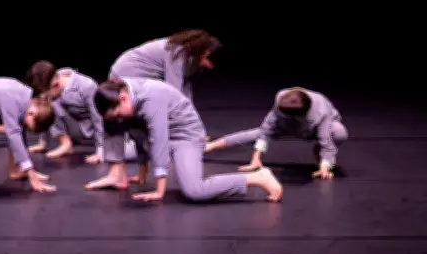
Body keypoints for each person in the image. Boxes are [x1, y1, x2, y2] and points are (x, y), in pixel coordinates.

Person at [84, 78, 283, 203]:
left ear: (123, 99)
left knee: (194, 191)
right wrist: (142, 172)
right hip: (164, 136)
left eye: (118, 113)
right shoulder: (121, 94)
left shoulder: (150, 97)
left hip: (185, 136)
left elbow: (158, 140)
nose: (119, 118)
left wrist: (159, 191)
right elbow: (138, 134)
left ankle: (258, 178)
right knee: (122, 127)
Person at [96, 30, 222, 164]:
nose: (208, 66)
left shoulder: (188, 57)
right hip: (127, 74)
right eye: (208, 61)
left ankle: (149, 151)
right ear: (204, 54)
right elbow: (174, 93)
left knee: (153, 112)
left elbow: (185, 96)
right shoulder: (177, 53)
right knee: (135, 116)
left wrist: (196, 130)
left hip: (139, 76)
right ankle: (124, 155)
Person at [205, 87, 348, 179]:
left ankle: (319, 154)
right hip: (287, 125)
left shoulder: (321, 110)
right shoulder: (282, 99)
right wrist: (256, 158)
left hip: (313, 129)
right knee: (255, 134)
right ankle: (208, 146)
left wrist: (325, 167)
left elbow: (327, 142)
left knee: (339, 132)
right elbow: (265, 131)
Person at [21, 61, 105, 162]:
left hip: (88, 132)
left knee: (50, 102)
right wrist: (43, 142)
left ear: (55, 84)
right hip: (72, 128)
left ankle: (66, 144)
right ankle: (58, 143)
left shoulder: (87, 86)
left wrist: (101, 151)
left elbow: (98, 118)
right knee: (45, 103)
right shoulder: (55, 77)